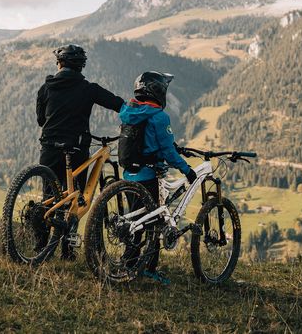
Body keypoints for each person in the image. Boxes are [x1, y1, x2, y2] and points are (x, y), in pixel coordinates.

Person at [36, 44, 124, 258]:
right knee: (75, 198)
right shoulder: (88, 89)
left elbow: (41, 120)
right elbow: (118, 104)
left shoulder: (45, 88)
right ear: (81, 67)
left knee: (49, 197)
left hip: (48, 149)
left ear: (59, 64)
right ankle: (67, 250)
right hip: (75, 150)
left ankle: (41, 247)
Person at [120, 71, 197, 284]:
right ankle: (148, 269)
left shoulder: (130, 111)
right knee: (153, 223)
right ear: (158, 91)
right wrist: (187, 170)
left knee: (136, 220)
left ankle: (128, 262)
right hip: (147, 176)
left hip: (129, 175)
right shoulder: (159, 117)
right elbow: (167, 152)